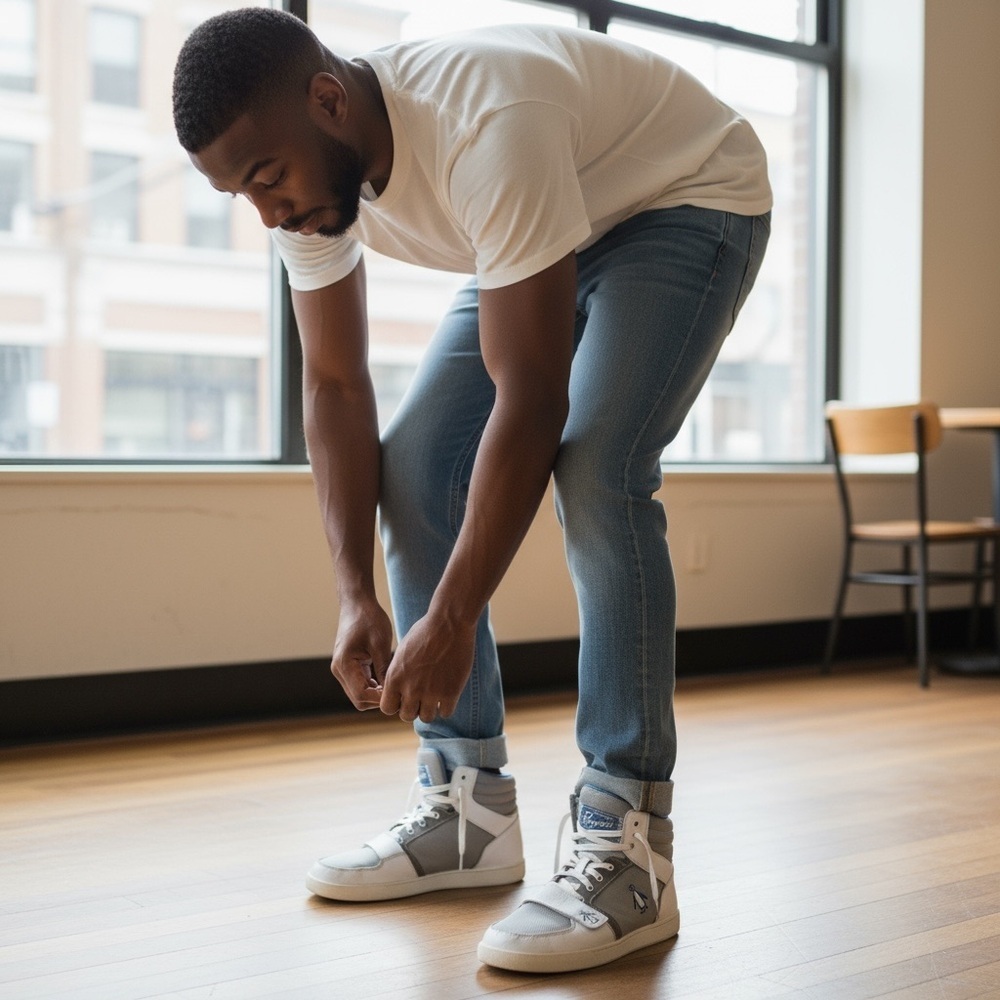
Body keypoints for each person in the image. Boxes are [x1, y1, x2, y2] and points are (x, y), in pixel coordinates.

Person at [173, 6, 770, 974]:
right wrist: (355, 593)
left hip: (683, 197)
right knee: (414, 462)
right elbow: (332, 383)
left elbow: (532, 400)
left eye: (266, 179)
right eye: (241, 193)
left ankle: (630, 845)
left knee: (598, 458)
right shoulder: (305, 181)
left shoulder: (488, 118)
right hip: (551, 217)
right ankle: (469, 809)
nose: (267, 213)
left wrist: (449, 617)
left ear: (327, 100)